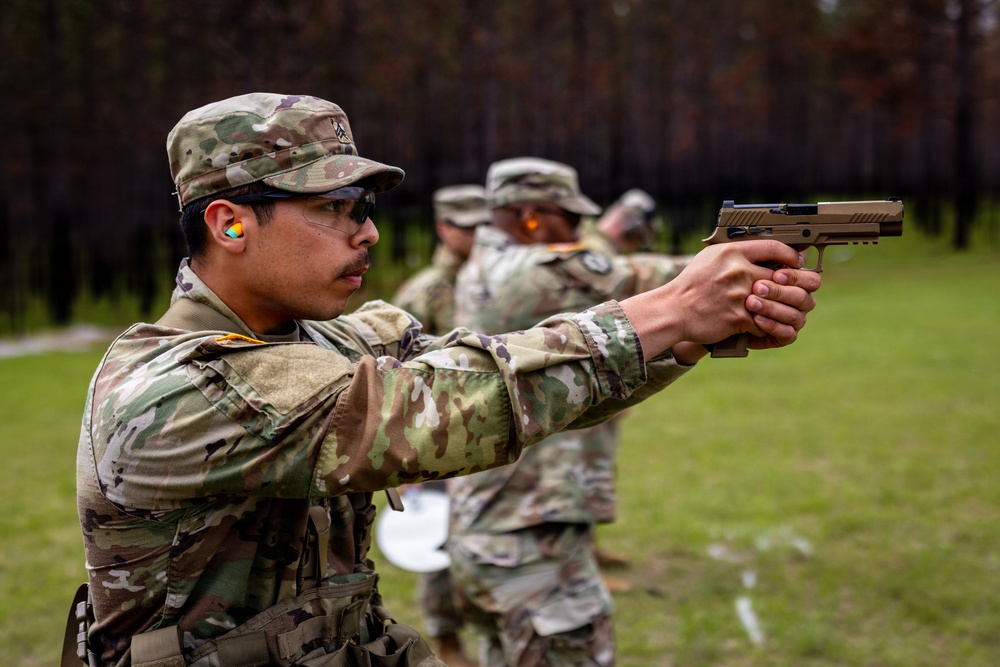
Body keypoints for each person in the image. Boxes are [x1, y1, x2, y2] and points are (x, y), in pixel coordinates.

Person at [73, 93, 820, 667]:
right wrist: (669, 310)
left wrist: (689, 332)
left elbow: (522, 381)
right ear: (230, 225)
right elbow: (449, 404)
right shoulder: (170, 389)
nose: (365, 231)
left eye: (362, 207)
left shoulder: (334, 338)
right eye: (333, 208)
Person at [442, 159, 694, 666]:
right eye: (570, 219)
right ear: (532, 217)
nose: (580, 232)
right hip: (529, 532)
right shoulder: (531, 270)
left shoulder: (486, 266)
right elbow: (669, 283)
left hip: (500, 520)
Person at [391, 185, 492, 667]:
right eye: (466, 226)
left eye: (483, 225)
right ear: (444, 228)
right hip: (439, 440)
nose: (476, 235)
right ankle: (447, 640)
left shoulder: (496, 280)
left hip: (490, 435)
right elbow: (392, 373)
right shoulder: (424, 290)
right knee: (439, 545)